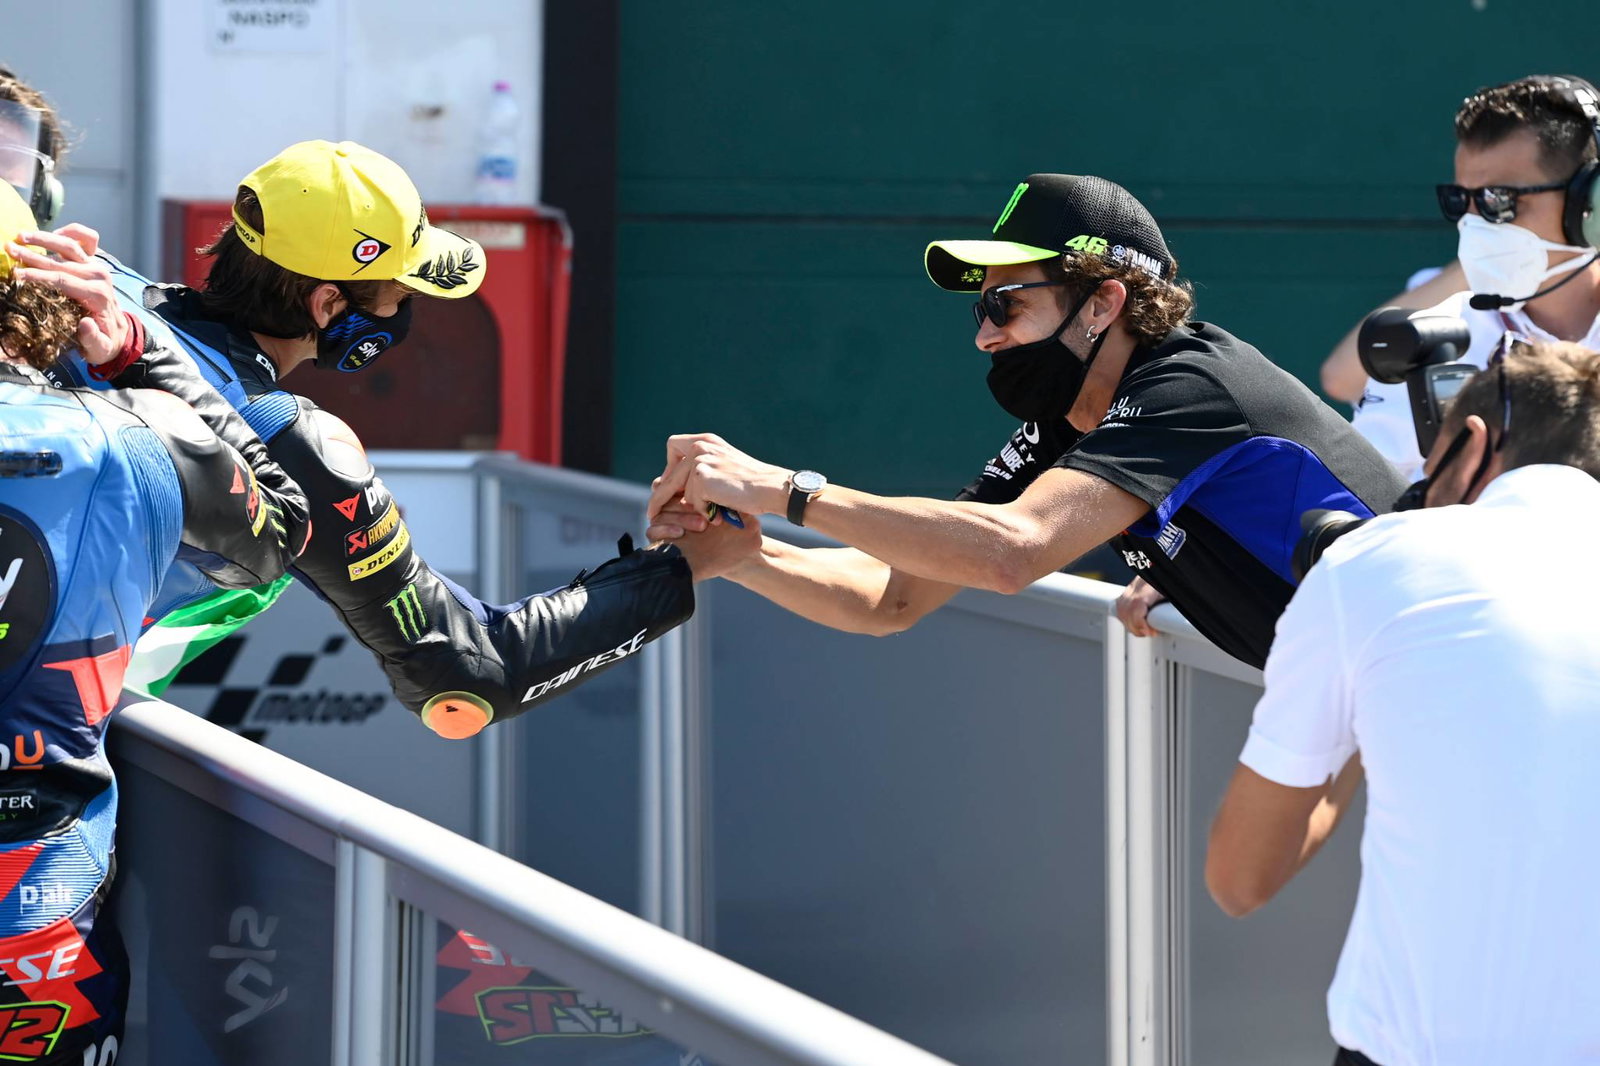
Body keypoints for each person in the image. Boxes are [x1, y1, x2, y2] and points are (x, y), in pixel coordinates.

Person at [36, 138, 708, 739]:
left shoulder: (91, 286)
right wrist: (687, 565)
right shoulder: (289, 439)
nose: (404, 311)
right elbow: (468, 676)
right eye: (396, 292)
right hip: (46, 739)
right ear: (328, 306)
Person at [646, 174, 1406, 669]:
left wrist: (781, 489)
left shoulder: (1190, 385)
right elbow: (894, 595)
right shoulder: (1068, 420)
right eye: (982, 309)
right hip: (1383, 693)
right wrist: (745, 557)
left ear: (1103, 304)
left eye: (1006, 305)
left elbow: (1012, 553)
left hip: (1437, 671)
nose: (984, 334)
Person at [1205, 340, 1600, 1066]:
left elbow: (1239, 879)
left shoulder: (1375, 562)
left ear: (1473, 443)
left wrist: (1362, 706)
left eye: (1429, 464)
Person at [0, 182, 303, 1065]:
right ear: (40, 288)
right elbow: (276, 533)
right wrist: (147, 360)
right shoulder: (135, 434)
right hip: (37, 930)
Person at [1349, 74, 1600, 479]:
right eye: (1459, 200)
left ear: (1588, 204)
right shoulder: (1432, 342)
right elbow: (1368, 495)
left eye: (1497, 200)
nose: (1471, 222)